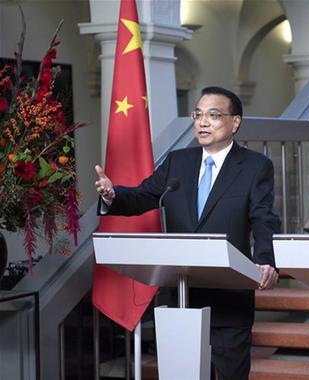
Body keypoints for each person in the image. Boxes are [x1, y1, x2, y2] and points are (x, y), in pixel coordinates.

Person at [94, 86, 280, 380]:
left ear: (235, 122)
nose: (203, 122)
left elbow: (264, 218)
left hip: (228, 300)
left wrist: (266, 260)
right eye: (198, 114)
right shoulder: (177, 162)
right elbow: (143, 196)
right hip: (180, 297)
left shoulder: (256, 167)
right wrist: (112, 195)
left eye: (214, 115)